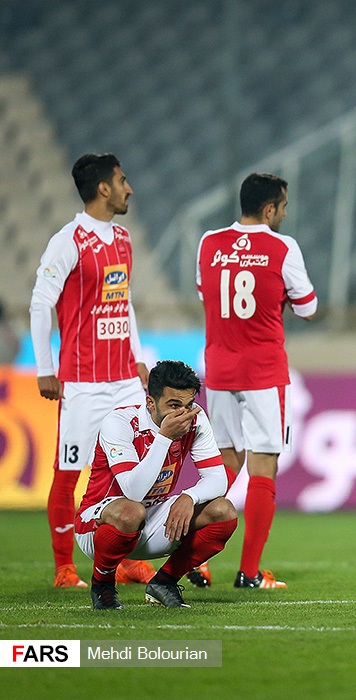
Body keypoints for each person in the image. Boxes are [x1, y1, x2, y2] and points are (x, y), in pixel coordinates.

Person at [29, 153, 156, 589]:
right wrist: (45, 367)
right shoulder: (68, 241)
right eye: (123, 180)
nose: (129, 188)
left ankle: (122, 560)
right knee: (69, 474)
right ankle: (65, 567)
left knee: (130, 470)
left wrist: (137, 355)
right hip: (83, 382)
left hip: (123, 379)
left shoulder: (122, 238)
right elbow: (40, 303)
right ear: (104, 188)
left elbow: (124, 305)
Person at [195, 172, 317, 589]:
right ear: (269, 209)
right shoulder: (282, 247)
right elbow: (308, 307)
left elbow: (205, 295)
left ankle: (196, 559)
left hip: (219, 369)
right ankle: (248, 571)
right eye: (282, 207)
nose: (284, 214)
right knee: (264, 465)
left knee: (225, 465)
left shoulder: (209, 242)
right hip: (263, 371)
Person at [74, 360, 238, 609]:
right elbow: (133, 491)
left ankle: (164, 582)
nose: (182, 414)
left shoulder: (195, 419)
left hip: (153, 519)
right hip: (98, 526)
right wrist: (164, 438)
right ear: (151, 402)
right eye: (173, 405)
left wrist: (189, 497)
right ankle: (103, 585)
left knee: (223, 511)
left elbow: (218, 479)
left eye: (188, 405)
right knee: (131, 510)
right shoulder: (119, 423)